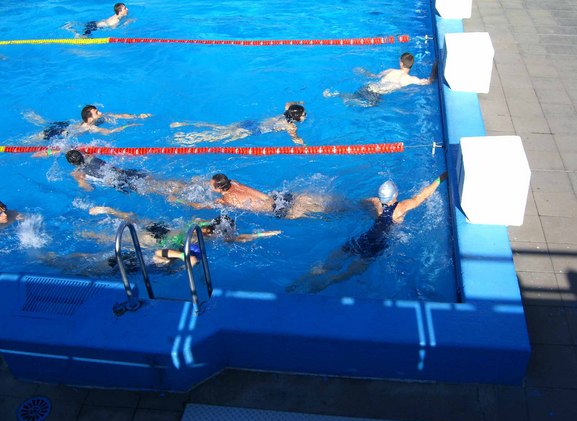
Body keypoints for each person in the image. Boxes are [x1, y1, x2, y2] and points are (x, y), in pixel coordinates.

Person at [288, 173, 448, 294]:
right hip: (376, 246)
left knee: (325, 265)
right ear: (395, 194)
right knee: (347, 273)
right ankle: (325, 283)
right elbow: (422, 196)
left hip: (362, 239)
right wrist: (441, 178)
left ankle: (299, 281)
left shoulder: (374, 202)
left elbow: (356, 204)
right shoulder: (401, 208)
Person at [84, 206, 281, 268]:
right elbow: (240, 239)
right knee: (119, 239)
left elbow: (196, 219)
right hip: (160, 241)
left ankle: (108, 212)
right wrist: (263, 234)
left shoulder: (203, 223)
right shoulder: (208, 235)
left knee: (135, 220)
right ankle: (89, 234)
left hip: (165, 229)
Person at [176, 173, 334, 220]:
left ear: (218, 189)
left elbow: (198, 206)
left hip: (277, 210)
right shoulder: (234, 182)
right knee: (326, 204)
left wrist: (177, 199)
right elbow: (221, 183)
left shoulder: (225, 200)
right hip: (279, 197)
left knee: (322, 214)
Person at [323, 53, 437, 107]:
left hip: (369, 86)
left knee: (355, 96)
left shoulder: (391, 70)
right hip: (376, 94)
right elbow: (429, 81)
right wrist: (435, 67)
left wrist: (364, 71)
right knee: (369, 105)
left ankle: (337, 94)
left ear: (401, 63)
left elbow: (374, 76)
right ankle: (346, 99)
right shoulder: (411, 79)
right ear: (411, 65)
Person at [170, 102, 307, 146]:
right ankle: (185, 141)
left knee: (220, 127)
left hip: (250, 123)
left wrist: (299, 103)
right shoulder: (290, 126)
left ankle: (183, 123)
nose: (305, 116)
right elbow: (296, 139)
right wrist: (303, 145)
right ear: (296, 117)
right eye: (303, 114)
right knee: (216, 137)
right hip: (252, 130)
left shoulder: (284, 112)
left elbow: (288, 104)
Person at [65, 149, 185, 196]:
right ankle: (183, 185)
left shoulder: (78, 174)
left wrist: (81, 184)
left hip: (117, 181)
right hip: (123, 172)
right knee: (156, 180)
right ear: (82, 155)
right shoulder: (91, 157)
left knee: (154, 189)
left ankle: (180, 192)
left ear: (71, 164)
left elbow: (89, 189)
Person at [64, 3, 131, 38]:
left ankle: (71, 25)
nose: (127, 9)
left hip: (93, 23)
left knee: (83, 26)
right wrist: (126, 23)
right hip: (93, 27)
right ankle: (72, 30)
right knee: (83, 38)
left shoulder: (116, 15)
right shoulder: (116, 20)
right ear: (120, 11)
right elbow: (113, 28)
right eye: (125, 8)